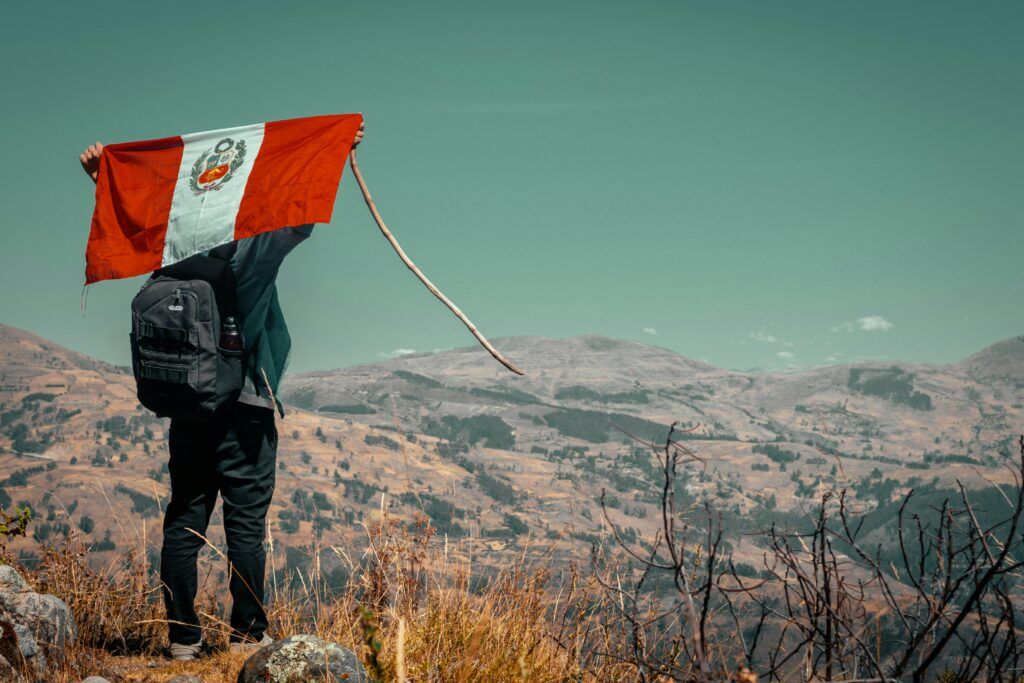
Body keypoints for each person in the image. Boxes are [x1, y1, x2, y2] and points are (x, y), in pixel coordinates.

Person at [78, 122, 364, 659]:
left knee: (184, 522)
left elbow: (133, 215)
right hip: (246, 411)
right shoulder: (251, 254)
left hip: (188, 410)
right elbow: (300, 219)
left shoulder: (170, 253)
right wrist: (333, 147)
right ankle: (246, 637)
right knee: (246, 529)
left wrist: (101, 176)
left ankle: (183, 639)